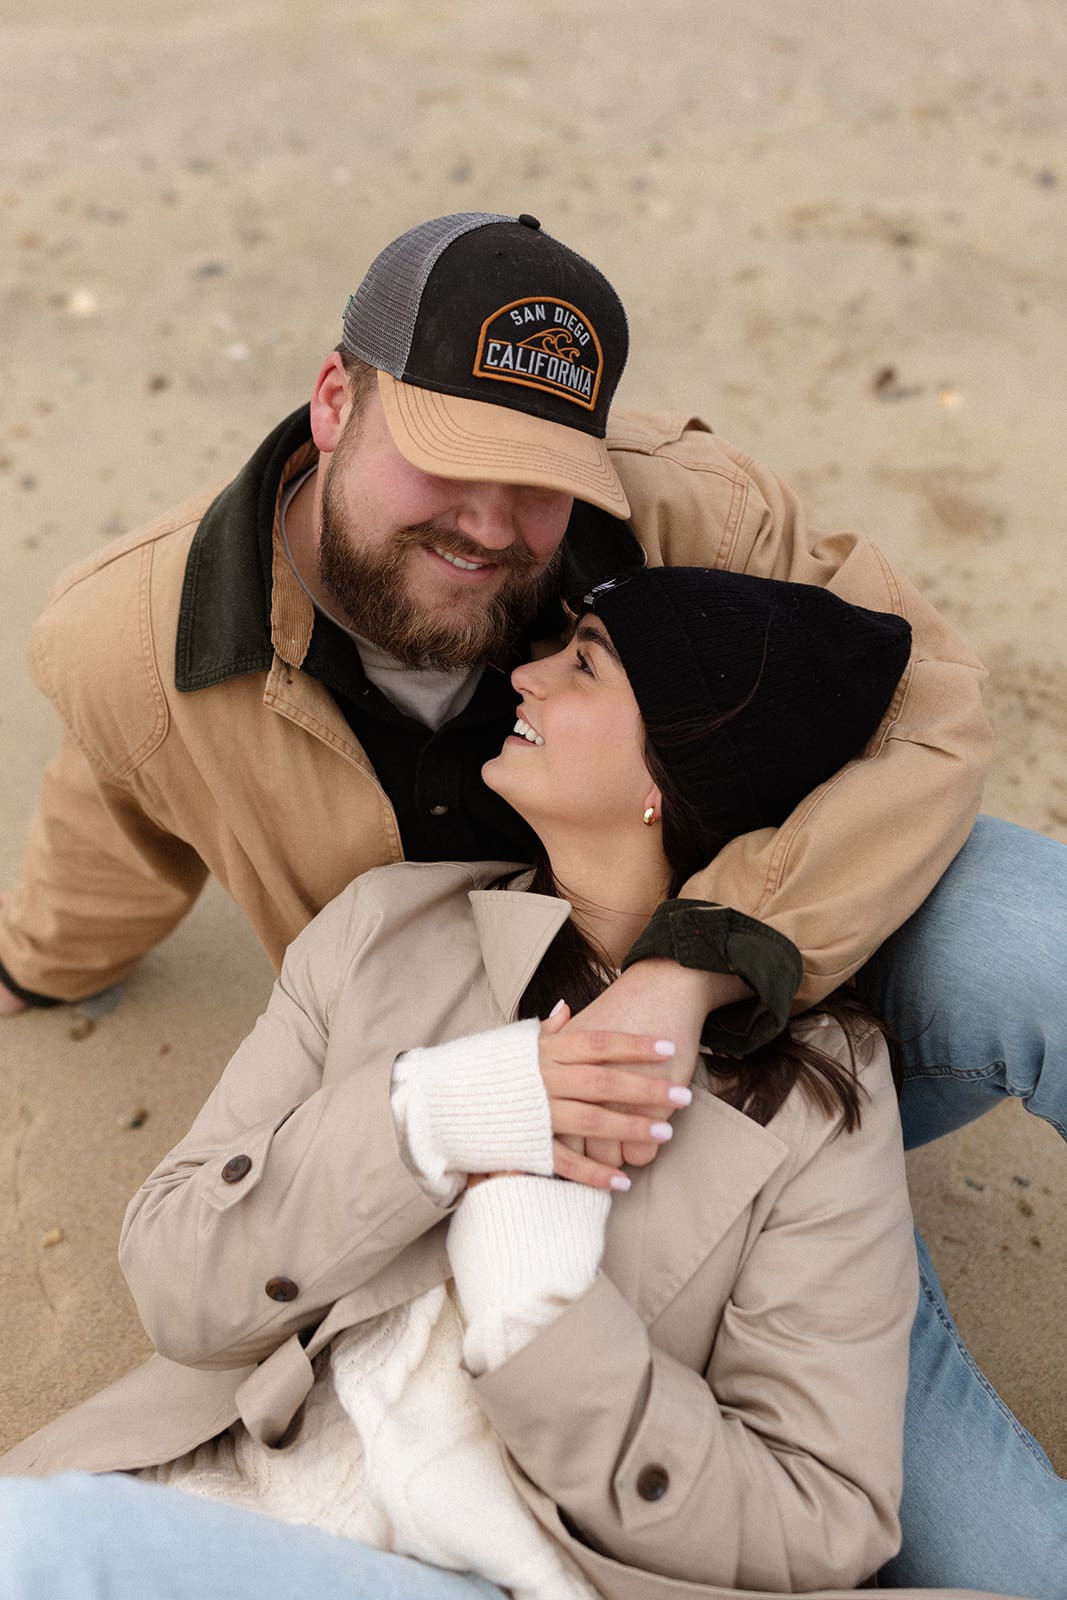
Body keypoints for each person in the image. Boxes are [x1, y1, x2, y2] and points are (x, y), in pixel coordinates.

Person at [0, 211, 1062, 1592]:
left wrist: (703, 963)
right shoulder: (144, 651)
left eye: (542, 480)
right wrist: (41, 960)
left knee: (1034, 936)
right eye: (452, 457)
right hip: (454, 1095)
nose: (494, 526)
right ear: (336, 401)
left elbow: (928, 716)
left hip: (761, 1083)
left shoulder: (690, 515)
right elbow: (117, 799)